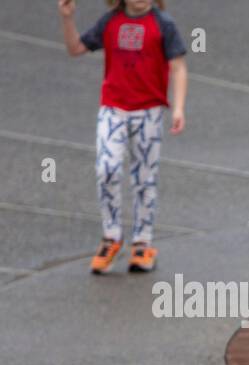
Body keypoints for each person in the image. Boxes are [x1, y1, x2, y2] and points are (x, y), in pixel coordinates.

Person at [58, 0, 188, 275]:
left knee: (144, 177)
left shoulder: (163, 24)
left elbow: (178, 67)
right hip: (113, 109)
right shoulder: (110, 22)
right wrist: (67, 19)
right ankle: (111, 236)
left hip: (149, 111)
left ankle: (143, 242)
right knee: (106, 168)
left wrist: (178, 107)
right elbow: (75, 48)